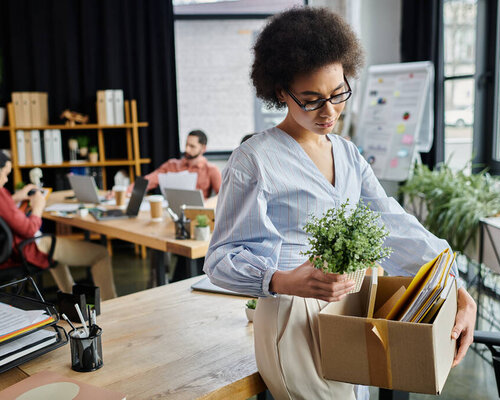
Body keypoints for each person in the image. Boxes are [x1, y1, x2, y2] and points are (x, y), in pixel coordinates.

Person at [203, 7, 476, 400]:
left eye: (337, 94)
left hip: (351, 305)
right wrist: (280, 279)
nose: (329, 112)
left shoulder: (347, 154)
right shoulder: (254, 159)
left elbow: (391, 223)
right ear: (280, 92)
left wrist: (455, 286)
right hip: (291, 315)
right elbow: (221, 258)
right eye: (311, 99)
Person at [0, 148, 118, 300]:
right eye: (5, 174)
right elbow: (30, 229)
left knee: (56, 257)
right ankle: (111, 307)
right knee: (101, 254)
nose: (6, 180)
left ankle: (72, 300)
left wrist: (15, 197)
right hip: (24, 250)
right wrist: (38, 207)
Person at [124, 130, 221, 199]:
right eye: (186, 145)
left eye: (192, 146)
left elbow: (222, 197)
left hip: (198, 215)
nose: (187, 149)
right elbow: (149, 180)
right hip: (171, 213)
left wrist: (206, 204)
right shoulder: (172, 165)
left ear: (203, 148)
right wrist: (126, 191)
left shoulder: (211, 169)